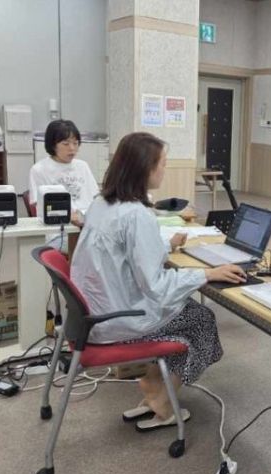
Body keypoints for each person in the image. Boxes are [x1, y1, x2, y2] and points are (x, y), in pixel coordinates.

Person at [71, 132, 246, 430]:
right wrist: (207, 274)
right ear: (144, 168)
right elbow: (156, 286)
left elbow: (122, 253)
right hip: (118, 319)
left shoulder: (102, 204)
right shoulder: (137, 215)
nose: (165, 169)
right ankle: (161, 398)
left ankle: (154, 382)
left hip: (93, 315)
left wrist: (164, 245)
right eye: (163, 163)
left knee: (186, 311)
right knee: (201, 320)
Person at [29, 119, 99, 230]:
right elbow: (40, 206)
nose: (72, 148)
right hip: (59, 229)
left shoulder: (83, 166)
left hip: (88, 226)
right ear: (53, 145)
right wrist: (68, 216)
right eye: (66, 144)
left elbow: (96, 198)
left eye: (75, 143)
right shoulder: (39, 170)